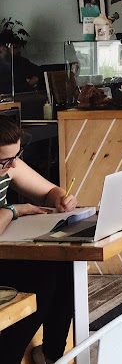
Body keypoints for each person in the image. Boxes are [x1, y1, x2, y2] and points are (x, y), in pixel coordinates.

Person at [0, 115, 77, 364]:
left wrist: (61, 198)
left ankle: (51, 355)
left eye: (16, 156)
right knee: (42, 280)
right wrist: (13, 210)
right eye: (4, 161)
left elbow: (48, 191)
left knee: (63, 263)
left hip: (7, 250)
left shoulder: (8, 163)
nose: (12, 165)